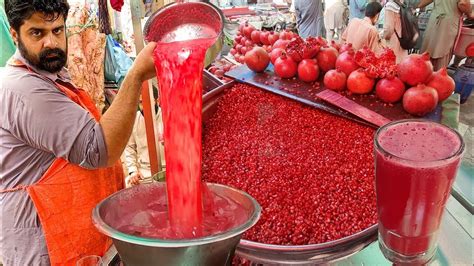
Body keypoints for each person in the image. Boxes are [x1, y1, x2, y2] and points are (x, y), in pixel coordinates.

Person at [0, 0, 157, 265]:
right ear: (15, 34)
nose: (51, 42)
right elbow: (98, 150)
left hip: (71, 232)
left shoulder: (49, 74)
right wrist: (135, 75)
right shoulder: (24, 90)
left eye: (57, 31)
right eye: (37, 33)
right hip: (46, 246)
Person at [124, 89, 166, 187]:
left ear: (157, 100)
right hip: (145, 171)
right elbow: (130, 148)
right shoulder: (134, 120)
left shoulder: (168, 116)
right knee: (129, 185)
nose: (144, 106)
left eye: (148, 102)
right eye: (141, 103)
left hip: (167, 169)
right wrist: (133, 171)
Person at [419, 0, 472, 70]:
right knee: (442, 53)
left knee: (428, 50)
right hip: (448, 23)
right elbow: (463, 3)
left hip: (434, 20)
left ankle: (422, 73)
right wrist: (470, 14)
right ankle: (437, 76)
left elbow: (421, 4)